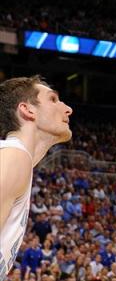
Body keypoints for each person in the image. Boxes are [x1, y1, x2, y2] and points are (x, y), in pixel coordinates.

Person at [0, 76, 73, 281]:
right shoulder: (14, 156)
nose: (67, 109)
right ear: (27, 110)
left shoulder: (16, 159)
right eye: (53, 99)